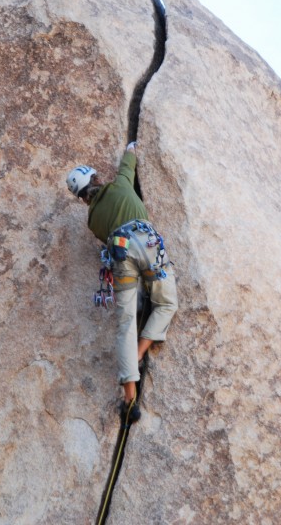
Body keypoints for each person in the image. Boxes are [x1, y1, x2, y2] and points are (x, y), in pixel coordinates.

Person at [66, 143, 178, 422]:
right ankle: (139, 353)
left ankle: (129, 396)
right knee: (166, 303)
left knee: (126, 321)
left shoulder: (92, 221)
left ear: (81, 198)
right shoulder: (119, 185)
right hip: (146, 243)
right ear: (96, 178)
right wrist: (131, 148)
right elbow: (129, 164)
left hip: (120, 254)